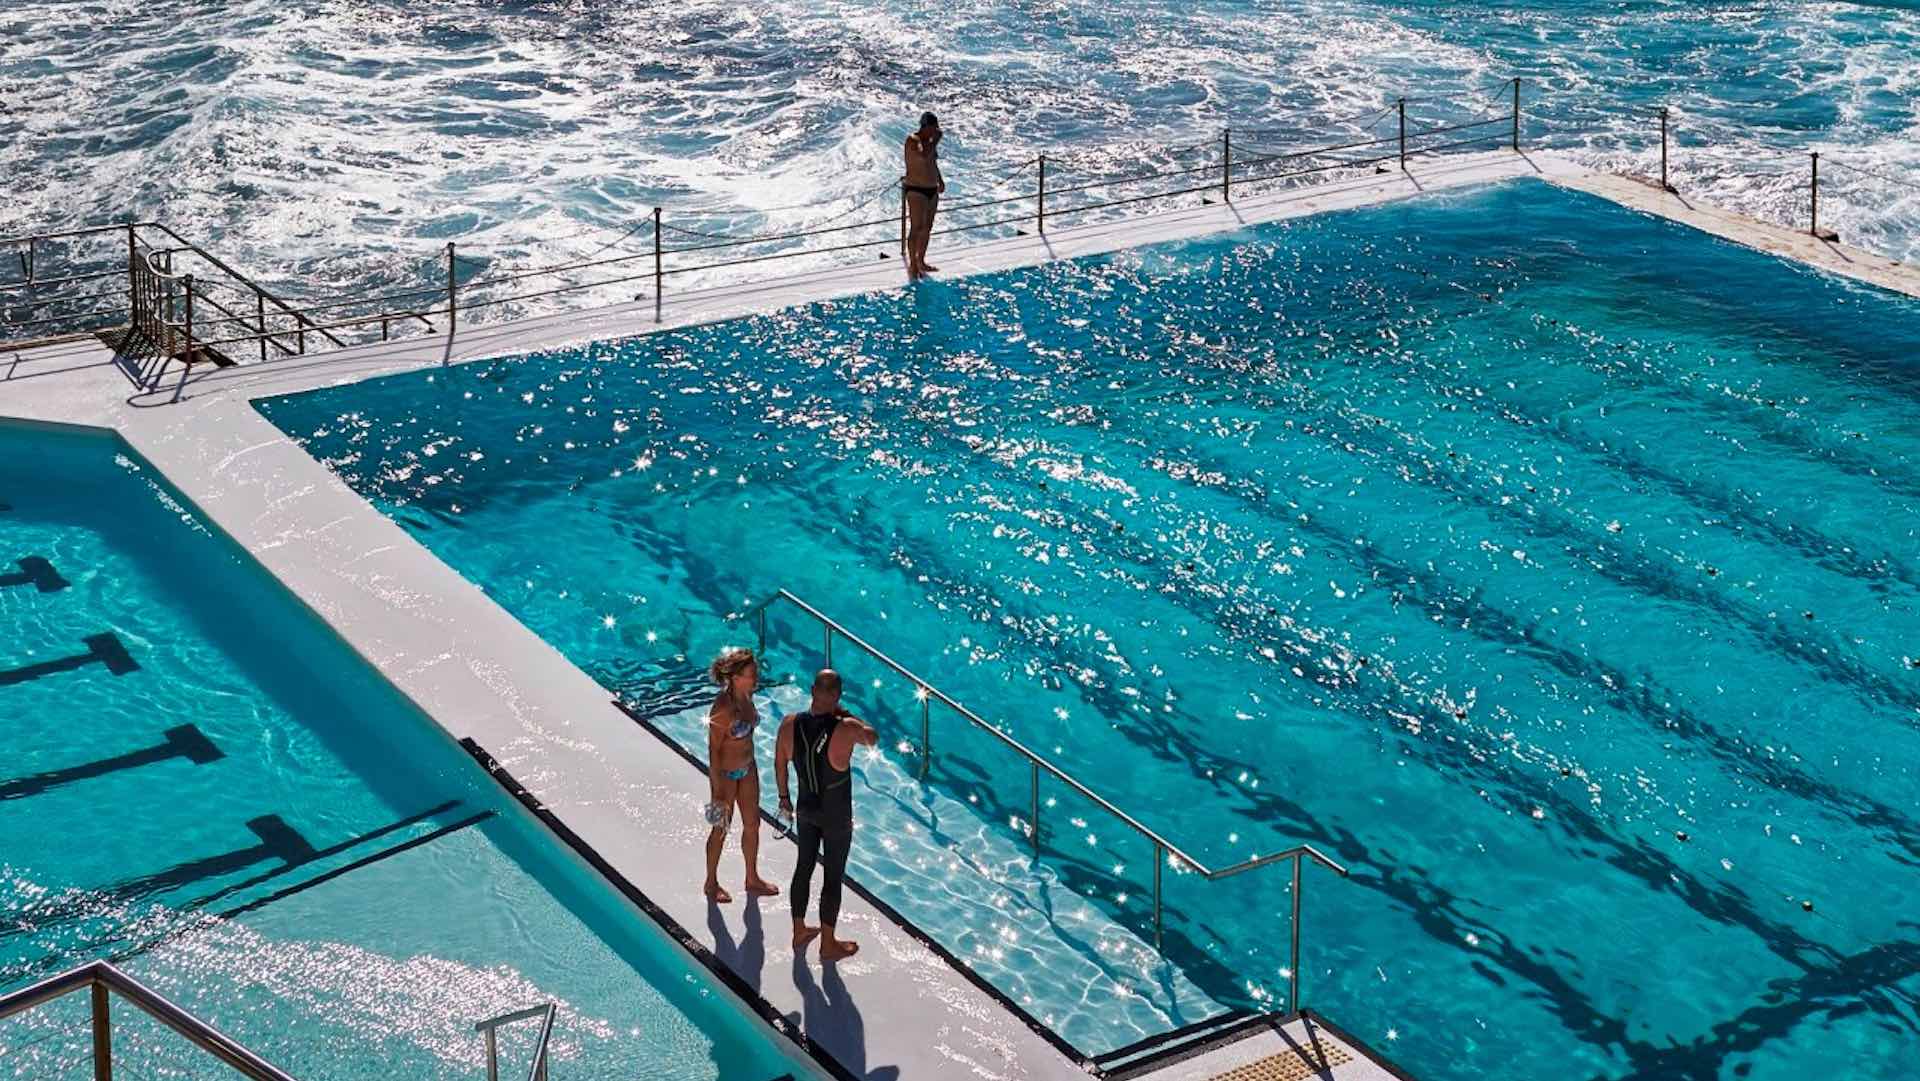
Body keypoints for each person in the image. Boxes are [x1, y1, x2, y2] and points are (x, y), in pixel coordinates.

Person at [774, 668, 878, 961]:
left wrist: (784, 799)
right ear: (838, 695)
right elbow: (873, 738)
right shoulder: (845, 728)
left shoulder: (789, 724)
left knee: (803, 867)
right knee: (832, 878)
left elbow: (779, 763)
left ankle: (798, 930)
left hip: (805, 809)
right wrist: (851, 717)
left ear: (812, 690)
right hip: (836, 817)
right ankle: (828, 943)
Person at [703, 648, 781, 904]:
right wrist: (715, 788)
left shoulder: (747, 695)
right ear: (736, 677)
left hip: (748, 769)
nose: (755, 677)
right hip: (725, 775)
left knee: (753, 825)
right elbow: (713, 750)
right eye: (751, 673)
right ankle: (711, 883)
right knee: (720, 829)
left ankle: (752, 878)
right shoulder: (722, 708)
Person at [902, 112, 945, 280]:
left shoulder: (929, 142)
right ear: (926, 127)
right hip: (916, 189)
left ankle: (921, 260)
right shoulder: (913, 140)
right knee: (917, 227)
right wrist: (935, 141)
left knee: (927, 227)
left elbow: (932, 161)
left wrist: (940, 180)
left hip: (931, 189)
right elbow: (923, 155)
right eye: (933, 128)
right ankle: (913, 264)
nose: (935, 132)